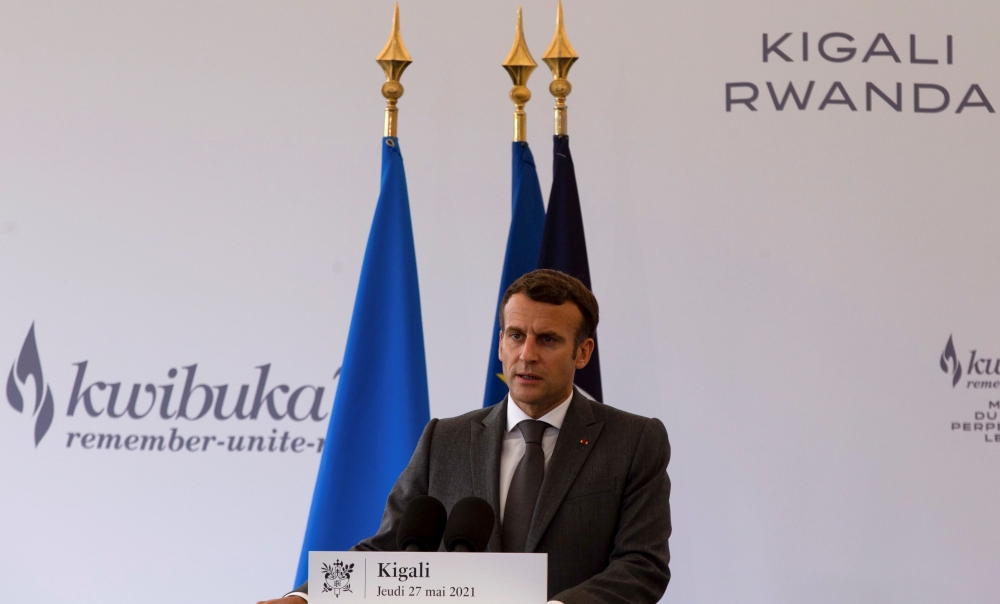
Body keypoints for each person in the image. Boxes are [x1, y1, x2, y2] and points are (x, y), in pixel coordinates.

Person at [259, 269, 671, 604]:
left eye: (547, 339)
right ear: (500, 344)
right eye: (515, 335)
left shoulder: (633, 441)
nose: (527, 354)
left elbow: (641, 564)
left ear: (582, 353)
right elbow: (388, 549)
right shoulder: (446, 439)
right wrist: (306, 597)